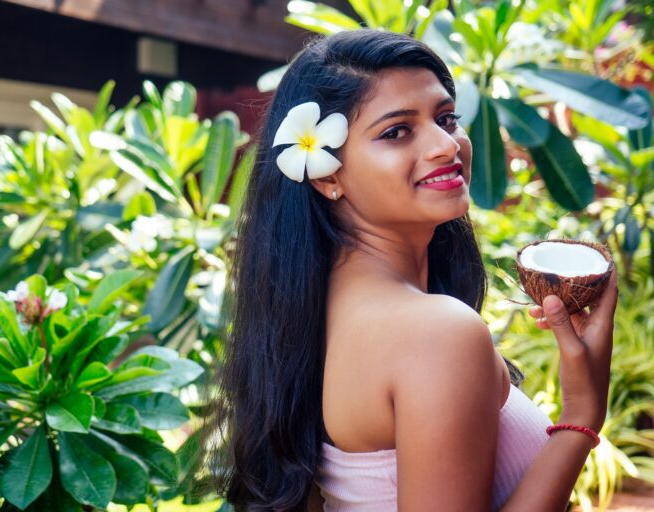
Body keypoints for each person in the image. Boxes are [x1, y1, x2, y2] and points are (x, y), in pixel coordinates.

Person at [213, 29, 617, 511]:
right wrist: (581, 417)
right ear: (327, 175)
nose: (446, 145)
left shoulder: (312, 316)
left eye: (446, 118)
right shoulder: (434, 331)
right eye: (396, 131)